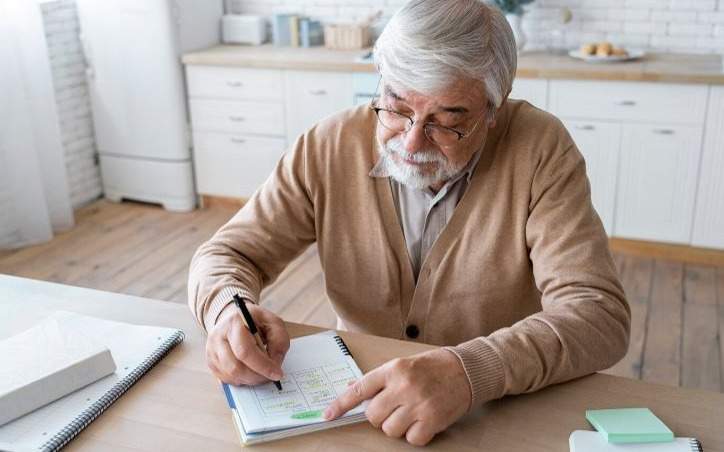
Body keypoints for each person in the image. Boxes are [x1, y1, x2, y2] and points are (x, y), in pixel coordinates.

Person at [188, 0, 630, 446]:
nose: (412, 139)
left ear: (493, 111)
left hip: (491, 410)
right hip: (359, 409)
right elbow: (228, 254)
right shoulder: (327, 145)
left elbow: (597, 314)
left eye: (447, 120)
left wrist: (470, 371)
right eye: (396, 106)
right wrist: (228, 310)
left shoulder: (541, 150)